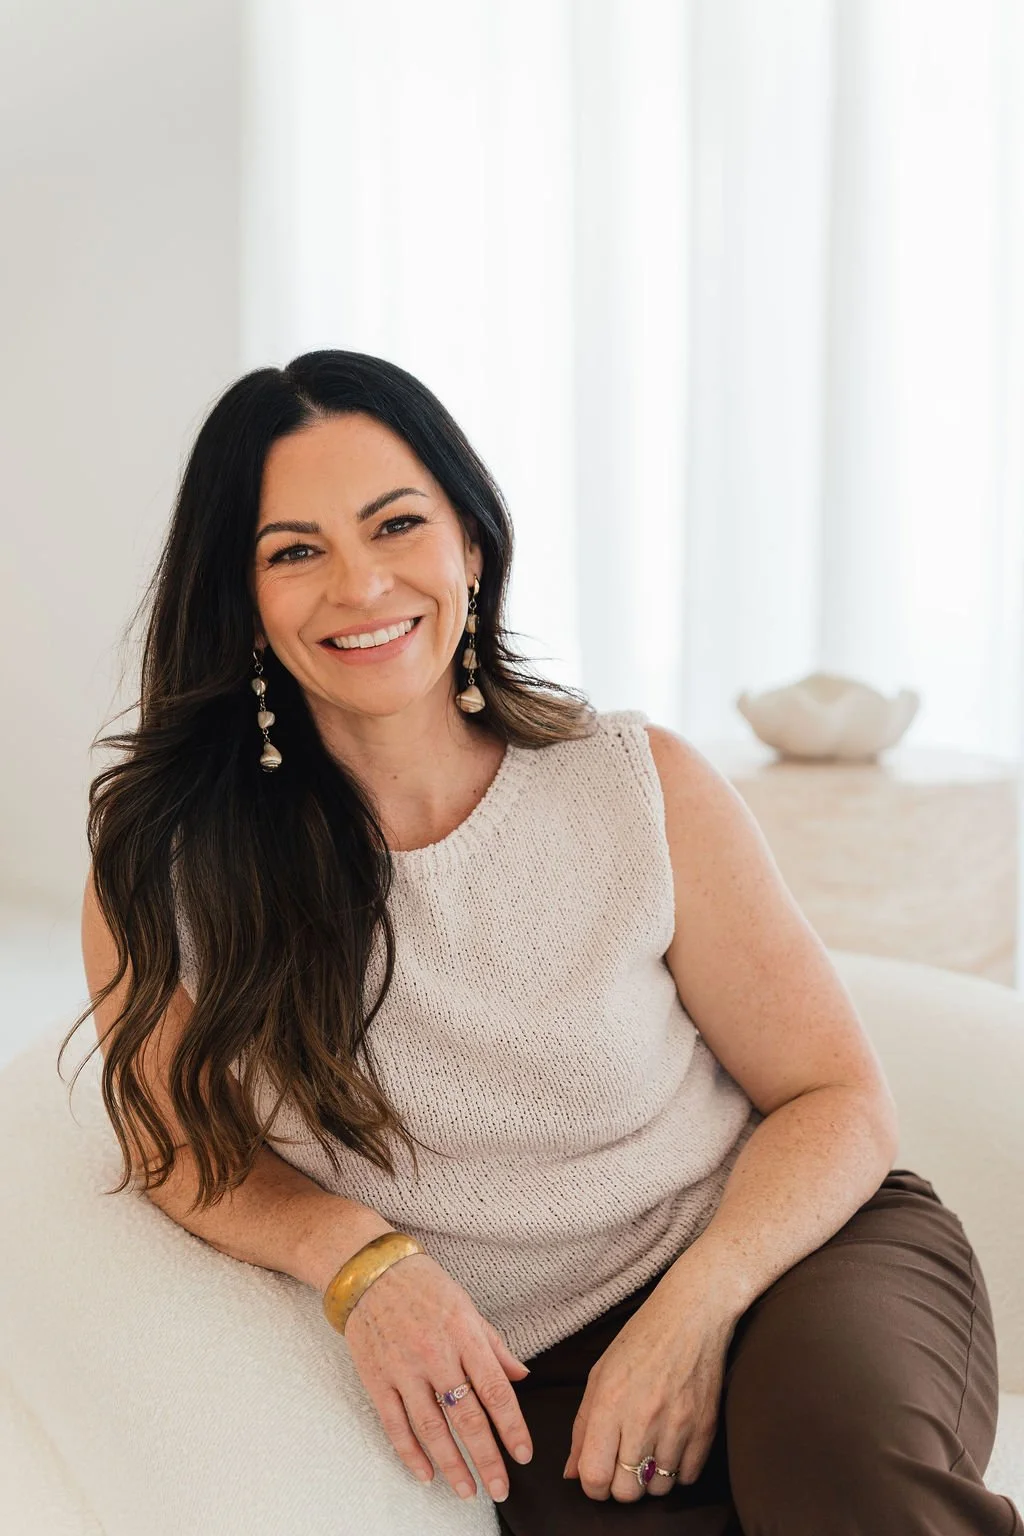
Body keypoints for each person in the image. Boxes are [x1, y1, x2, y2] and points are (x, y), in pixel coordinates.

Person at [72, 350, 1022, 1535]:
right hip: (532, 1373)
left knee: (850, 1496)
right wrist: (361, 1266)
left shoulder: (636, 786)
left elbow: (834, 1094)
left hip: (785, 1262)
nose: (361, 585)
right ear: (243, 599)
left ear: (470, 545)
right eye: (295, 551)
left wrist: (695, 1308)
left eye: (396, 524)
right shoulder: (162, 862)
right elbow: (171, 1139)